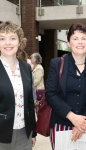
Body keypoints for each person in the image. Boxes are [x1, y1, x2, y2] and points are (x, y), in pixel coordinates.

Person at [46, 22, 86, 150]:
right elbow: (50, 94)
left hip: (85, 125)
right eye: (75, 38)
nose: (80, 42)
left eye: (83, 38)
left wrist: (83, 123)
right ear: (68, 42)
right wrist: (71, 116)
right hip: (61, 123)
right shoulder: (57, 63)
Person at [0, 21, 36, 150]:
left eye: (12, 38)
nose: (7, 43)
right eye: (2, 38)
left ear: (19, 42)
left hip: (24, 134)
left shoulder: (26, 67)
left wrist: (33, 132)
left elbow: (30, 103)